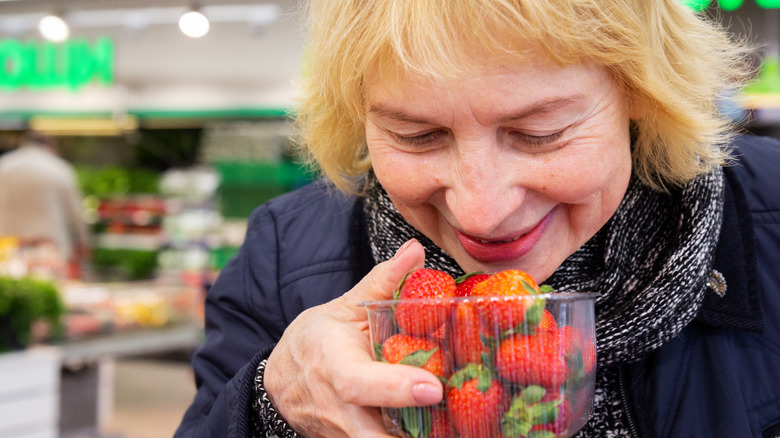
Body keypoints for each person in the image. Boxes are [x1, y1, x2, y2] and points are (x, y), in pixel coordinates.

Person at [175, 0, 780, 436]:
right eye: (416, 136)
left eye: (539, 134)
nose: (481, 212)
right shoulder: (285, 254)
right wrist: (268, 407)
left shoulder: (770, 212)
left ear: (642, 96)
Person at [0, 130, 91, 276]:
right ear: (50, 145)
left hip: (7, 245)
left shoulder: (4, 166)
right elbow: (76, 213)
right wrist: (84, 243)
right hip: (50, 248)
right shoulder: (59, 168)